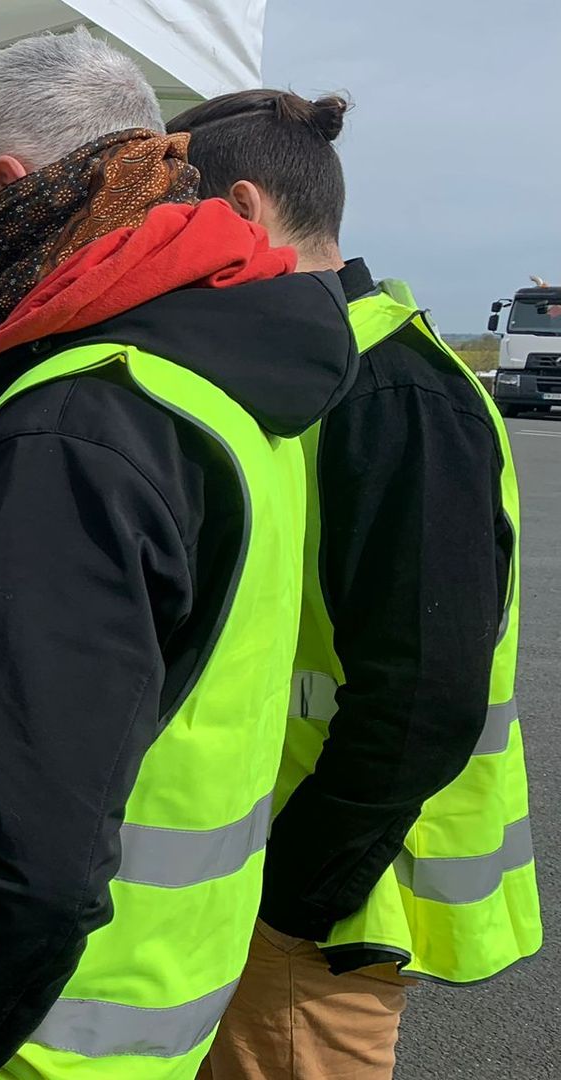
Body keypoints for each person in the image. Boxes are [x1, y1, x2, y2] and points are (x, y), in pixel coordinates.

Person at [0, 31, 358, 1078]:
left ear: (10, 189)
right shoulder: (215, 377)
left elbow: (25, 867)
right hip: (140, 1007)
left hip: (21, 1042)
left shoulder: (77, 427)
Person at [168, 91, 539, 1080]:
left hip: (313, 913)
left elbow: (425, 695)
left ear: (241, 211)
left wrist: (298, 895)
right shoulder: (304, 373)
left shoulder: (390, 389)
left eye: (170, 227)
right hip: (252, 885)